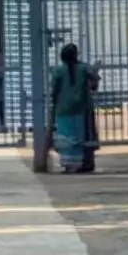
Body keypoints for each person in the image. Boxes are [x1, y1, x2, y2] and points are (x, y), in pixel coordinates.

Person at [49, 43, 99, 173]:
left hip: (63, 109)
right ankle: (79, 162)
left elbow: (54, 91)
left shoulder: (58, 71)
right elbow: (94, 84)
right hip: (80, 109)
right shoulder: (83, 68)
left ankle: (67, 164)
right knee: (79, 136)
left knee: (66, 137)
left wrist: (53, 104)